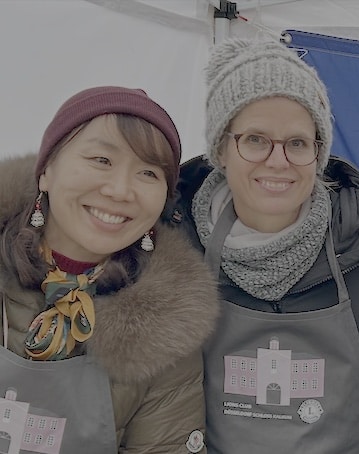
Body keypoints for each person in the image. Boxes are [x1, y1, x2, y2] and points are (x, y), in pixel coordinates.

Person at [175, 37, 359, 453]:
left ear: (319, 153)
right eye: (255, 139)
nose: (277, 160)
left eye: (297, 143)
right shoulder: (173, 255)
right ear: (220, 147)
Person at [0, 86, 219, 453]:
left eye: (148, 173)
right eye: (102, 160)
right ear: (46, 172)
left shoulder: (169, 326)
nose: (120, 190)